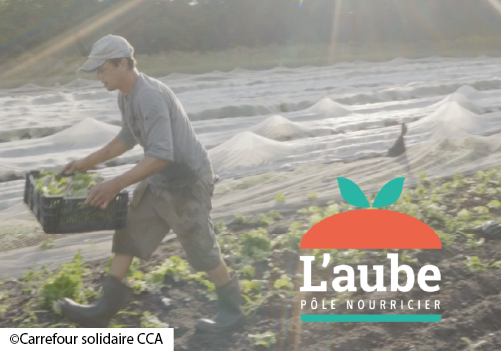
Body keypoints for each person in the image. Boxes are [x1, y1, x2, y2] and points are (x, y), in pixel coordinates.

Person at [58, 34, 243, 332]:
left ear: (122, 63)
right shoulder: (127, 95)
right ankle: (104, 310)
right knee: (129, 230)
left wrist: (115, 184)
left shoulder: (149, 96)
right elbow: (126, 139)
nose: (98, 77)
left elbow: (160, 155)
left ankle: (232, 312)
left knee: (201, 248)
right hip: (160, 179)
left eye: (102, 69)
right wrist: (85, 163)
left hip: (187, 182)